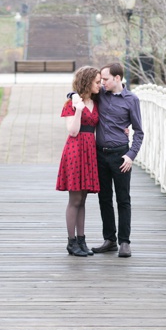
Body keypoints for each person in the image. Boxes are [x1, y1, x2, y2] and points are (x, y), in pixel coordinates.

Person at [90, 62, 145, 258]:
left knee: (123, 199)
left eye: (105, 79)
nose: (102, 82)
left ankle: (124, 242)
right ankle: (110, 240)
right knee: (104, 198)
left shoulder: (132, 100)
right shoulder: (100, 95)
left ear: (117, 78)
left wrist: (131, 155)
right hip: (100, 154)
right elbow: (81, 92)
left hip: (121, 155)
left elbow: (139, 132)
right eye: (101, 80)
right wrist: (71, 96)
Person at [56, 65, 102, 257]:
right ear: (87, 82)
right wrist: (78, 110)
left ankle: (82, 241)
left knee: (82, 199)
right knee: (74, 199)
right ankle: (71, 242)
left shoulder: (97, 101)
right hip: (75, 150)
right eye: (97, 82)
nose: (100, 85)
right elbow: (73, 131)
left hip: (90, 150)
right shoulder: (72, 104)